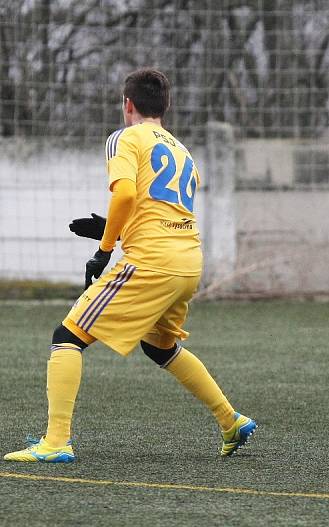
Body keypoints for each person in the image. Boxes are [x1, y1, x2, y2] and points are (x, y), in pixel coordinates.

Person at [4, 68, 256, 463]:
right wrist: (115, 231)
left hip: (153, 261)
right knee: (160, 347)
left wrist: (104, 250)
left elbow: (124, 196)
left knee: (68, 336)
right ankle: (231, 421)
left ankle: (55, 442)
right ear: (165, 107)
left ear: (128, 104)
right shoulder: (180, 149)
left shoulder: (123, 137)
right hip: (188, 260)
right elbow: (159, 211)